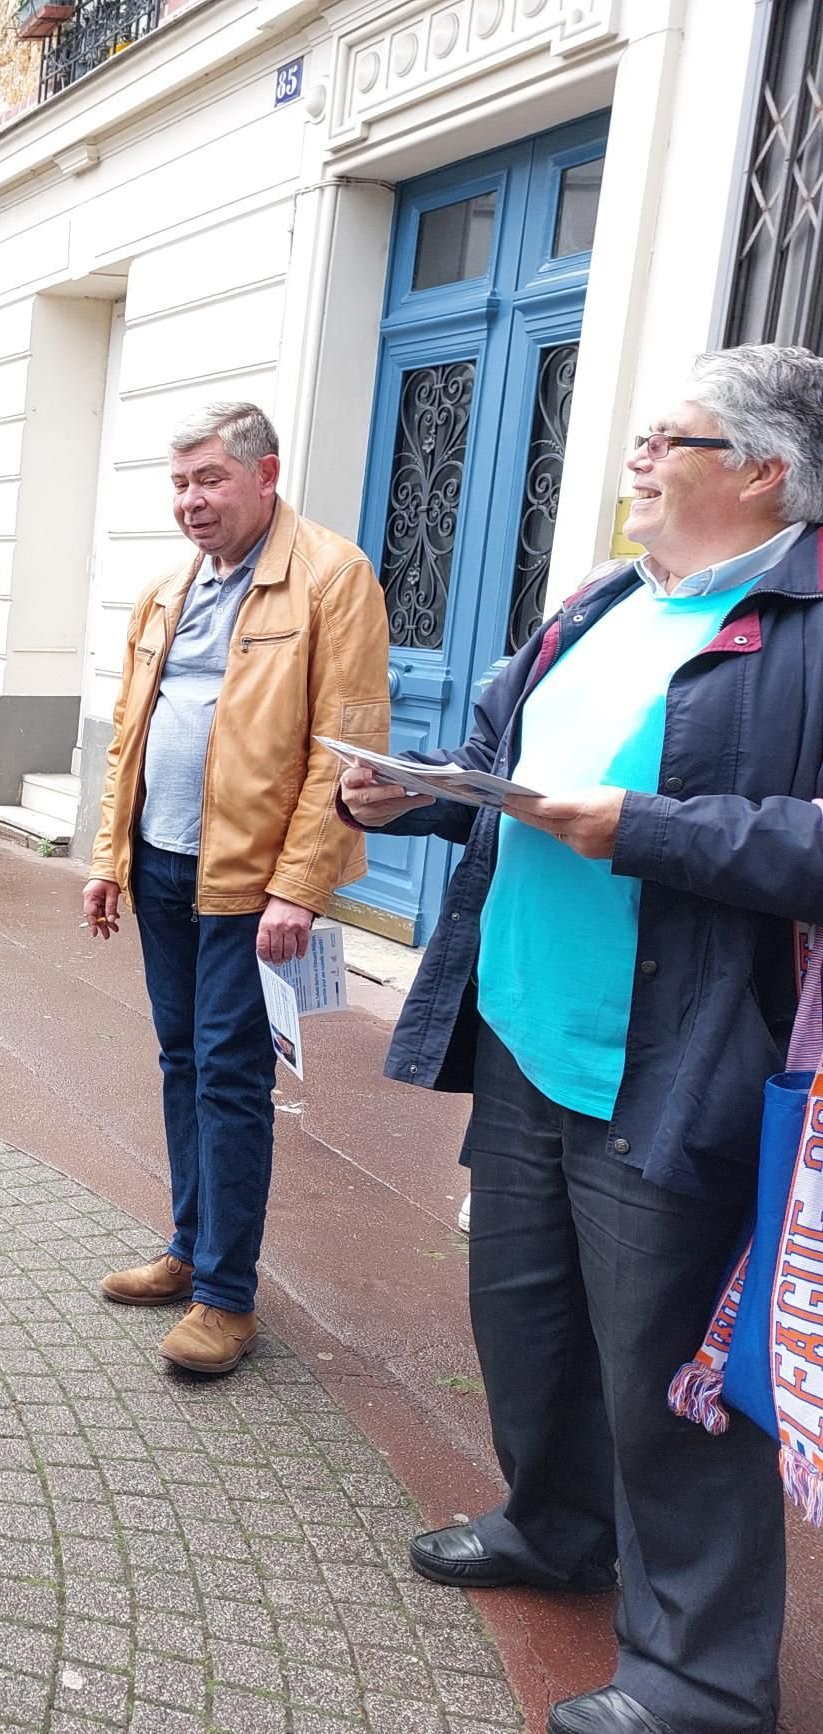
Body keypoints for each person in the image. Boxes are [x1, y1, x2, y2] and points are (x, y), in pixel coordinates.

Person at [342, 344, 823, 1734]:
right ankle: (555, 1525)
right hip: (525, 1035)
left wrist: (641, 830)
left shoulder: (803, 623)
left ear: (763, 471)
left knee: (670, 1375)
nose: (635, 457)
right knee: (529, 1319)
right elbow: (505, 767)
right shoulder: (604, 602)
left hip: (673, 1063)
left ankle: (702, 1681)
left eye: (667, 438)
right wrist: (412, 799)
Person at [82, 401, 389, 1375]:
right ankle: (185, 1250)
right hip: (163, 860)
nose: (189, 501)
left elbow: (345, 750)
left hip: (249, 887)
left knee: (229, 1078)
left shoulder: (331, 579)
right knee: (180, 1060)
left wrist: (299, 888)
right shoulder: (167, 593)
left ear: (264, 476)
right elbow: (129, 735)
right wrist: (106, 857)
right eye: (177, 483)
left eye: (208, 479)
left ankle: (225, 1298)